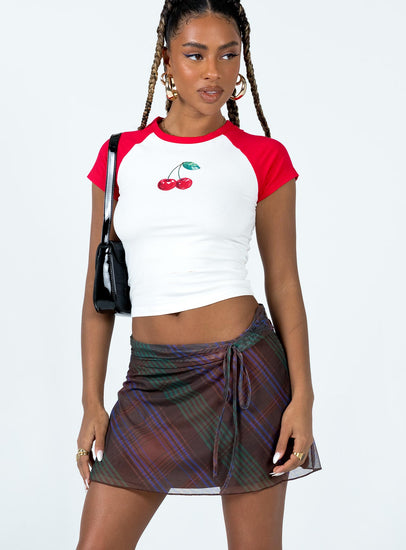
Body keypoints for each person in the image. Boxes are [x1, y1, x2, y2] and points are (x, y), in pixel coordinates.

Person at [76, 0, 322, 548]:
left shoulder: (262, 157)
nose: (214, 72)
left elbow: (285, 283)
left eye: (228, 55)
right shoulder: (119, 156)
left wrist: (303, 396)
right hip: (150, 379)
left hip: (245, 375)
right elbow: (99, 293)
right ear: (167, 58)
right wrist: (91, 400)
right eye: (195, 55)